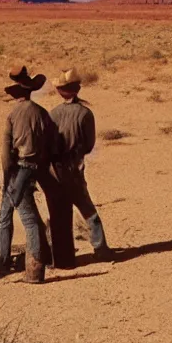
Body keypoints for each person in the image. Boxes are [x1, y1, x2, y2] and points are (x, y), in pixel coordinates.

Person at [0, 66, 58, 283]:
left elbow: (6, 152)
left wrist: (6, 178)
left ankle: (29, 267)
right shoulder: (42, 113)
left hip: (16, 170)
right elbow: (52, 144)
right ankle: (37, 260)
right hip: (34, 168)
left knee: (14, 218)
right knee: (25, 217)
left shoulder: (13, 115)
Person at [49, 68, 112, 262]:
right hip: (74, 167)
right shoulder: (85, 114)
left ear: (61, 90)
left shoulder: (54, 113)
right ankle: (100, 248)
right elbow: (89, 144)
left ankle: (60, 254)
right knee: (87, 209)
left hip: (54, 169)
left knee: (58, 212)